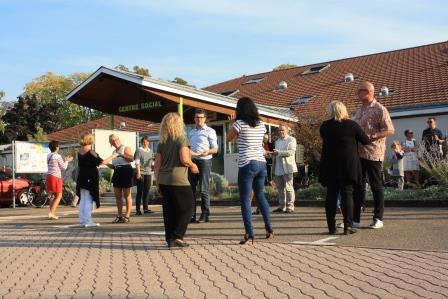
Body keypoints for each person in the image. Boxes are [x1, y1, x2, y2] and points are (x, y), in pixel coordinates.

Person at [227, 97, 274, 245]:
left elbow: (228, 138)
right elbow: (263, 140)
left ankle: (249, 232)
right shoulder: (261, 125)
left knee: (246, 199)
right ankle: (269, 229)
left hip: (247, 163)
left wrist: (232, 124)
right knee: (260, 196)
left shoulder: (239, 124)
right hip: (261, 163)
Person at [319, 101, 370, 235]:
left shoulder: (324, 127)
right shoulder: (352, 125)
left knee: (331, 195)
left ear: (330, 111)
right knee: (347, 194)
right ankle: (348, 226)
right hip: (348, 165)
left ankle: (331, 227)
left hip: (330, 165)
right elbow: (365, 140)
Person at [353, 81, 395, 229]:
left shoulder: (380, 109)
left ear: (368, 91)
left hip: (373, 153)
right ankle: (355, 219)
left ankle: (378, 218)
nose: (357, 94)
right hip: (358, 153)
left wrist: (373, 136)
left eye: (359, 91)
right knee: (358, 186)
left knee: (376, 185)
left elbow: (389, 130)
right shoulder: (358, 110)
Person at [154, 112, 199, 248]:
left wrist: (157, 182)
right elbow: (184, 159)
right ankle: (177, 236)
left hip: (164, 179)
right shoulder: (182, 139)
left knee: (169, 210)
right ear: (179, 124)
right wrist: (193, 165)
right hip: (178, 179)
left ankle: (170, 239)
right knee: (188, 207)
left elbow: (157, 165)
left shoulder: (162, 142)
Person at [76, 133, 117, 227]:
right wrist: (112, 156)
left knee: (83, 199)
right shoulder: (91, 151)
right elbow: (101, 162)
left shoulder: (80, 151)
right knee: (89, 199)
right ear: (90, 140)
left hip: (81, 177)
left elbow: (95, 161)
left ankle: (82, 220)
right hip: (90, 177)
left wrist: (109, 165)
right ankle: (88, 221)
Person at [188, 109, 218, 223]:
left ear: (205, 119)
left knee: (203, 189)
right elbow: (189, 147)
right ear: (194, 119)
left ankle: (205, 214)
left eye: (201, 117)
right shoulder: (191, 132)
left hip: (205, 161)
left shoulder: (210, 131)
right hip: (193, 161)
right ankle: (191, 214)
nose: (199, 119)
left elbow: (215, 149)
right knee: (191, 189)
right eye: (197, 117)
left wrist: (208, 151)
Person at [107, 134, 135, 223]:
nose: (115, 141)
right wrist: (105, 163)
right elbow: (114, 166)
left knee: (127, 195)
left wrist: (122, 155)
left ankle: (127, 216)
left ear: (119, 139)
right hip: (117, 172)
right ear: (111, 143)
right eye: (113, 141)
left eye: (116, 139)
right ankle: (119, 216)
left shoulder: (125, 148)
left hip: (126, 171)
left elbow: (132, 158)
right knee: (117, 196)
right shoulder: (113, 152)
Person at [271, 124, 298, 213]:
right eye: (279, 130)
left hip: (287, 167)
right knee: (280, 189)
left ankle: (290, 206)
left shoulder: (292, 139)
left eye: (282, 130)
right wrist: (272, 154)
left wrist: (278, 153)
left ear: (287, 131)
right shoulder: (277, 141)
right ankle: (281, 206)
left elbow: (291, 152)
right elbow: (276, 153)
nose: (281, 132)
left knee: (289, 188)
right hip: (278, 167)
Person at [46, 140, 73, 220]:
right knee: (59, 196)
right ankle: (51, 213)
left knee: (52, 196)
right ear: (56, 147)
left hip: (49, 176)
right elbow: (64, 167)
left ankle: (52, 213)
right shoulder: (57, 156)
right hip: (56, 177)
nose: (59, 147)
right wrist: (67, 161)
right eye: (58, 146)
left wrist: (65, 160)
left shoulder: (48, 155)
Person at [134, 136, 154, 215]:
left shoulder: (151, 151)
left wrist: (153, 168)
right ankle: (138, 210)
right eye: (144, 141)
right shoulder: (139, 150)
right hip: (141, 173)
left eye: (147, 141)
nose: (146, 143)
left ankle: (146, 209)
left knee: (146, 191)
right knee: (140, 191)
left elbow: (152, 162)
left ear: (148, 142)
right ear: (142, 142)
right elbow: (137, 161)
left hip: (148, 173)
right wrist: (138, 173)